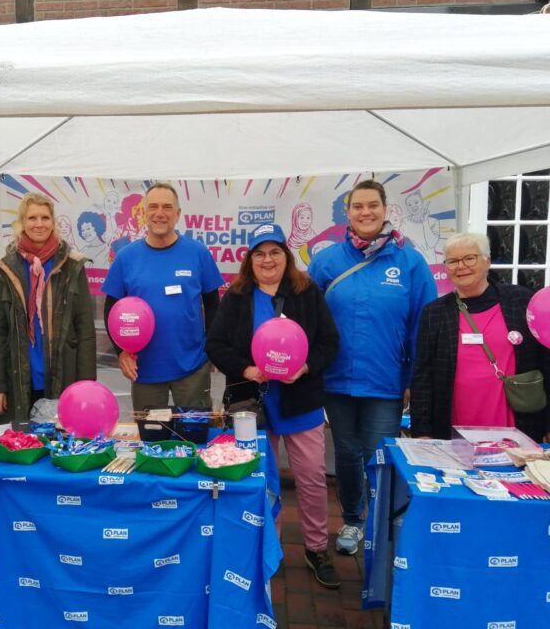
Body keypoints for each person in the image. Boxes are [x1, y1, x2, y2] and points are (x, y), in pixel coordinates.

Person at [206, 223, 341, 589]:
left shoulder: (306, 292)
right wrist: (245, 368)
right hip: (253, 403)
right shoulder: (236, 297)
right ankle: (267, 547)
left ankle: (316, 549)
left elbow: (330, 342)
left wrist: (306, 366)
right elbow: (215, 344)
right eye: (260, 253)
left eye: (275, 252)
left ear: (286, 256)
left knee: (312, 477)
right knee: (259, 479)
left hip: (301, 400)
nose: (268, 260)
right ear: (250, 260)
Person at [309, 179, 437, 556]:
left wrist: (414, 378)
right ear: (347, 213)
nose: (365, 212)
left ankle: (382, 524)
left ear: (385, 210)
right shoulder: (326, 261)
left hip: (386, 381)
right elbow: (307, 320)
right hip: (336, 380)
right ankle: (352, 519)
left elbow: (423, 325)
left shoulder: (410, 262)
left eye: (372, 205)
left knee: (379, 453)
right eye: (358, 206)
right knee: (347, 453)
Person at [411, 232, 550, 442]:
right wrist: (423, 432)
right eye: (453, 261)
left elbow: (545, 363)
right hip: (454, 429)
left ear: (488, 261)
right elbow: (423, 376)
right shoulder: (435, 312)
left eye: (469, 258)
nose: (461, 266)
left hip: (518, 426)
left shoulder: (521, 301)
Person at [102, 182, 224, 411]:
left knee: (195, 439)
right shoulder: (125, 257)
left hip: (192, 369)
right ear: (144, 213)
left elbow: (213, 305)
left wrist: (210, 349)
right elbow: (111, 310)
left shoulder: (197, 253)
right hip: (145, 369)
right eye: (153, 207)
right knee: (151, 442)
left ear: (177, 214)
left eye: (167, 207)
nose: (160, 213)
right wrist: (121, 353)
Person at [0, 192, 96, 426]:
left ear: (53, 222)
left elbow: (85, 330)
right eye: (32, 218)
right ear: (22, 223)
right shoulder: (3, 269)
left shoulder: (73, 266)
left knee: (62, 449)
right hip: (17, 378)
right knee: (19, 452)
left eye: (45, 218)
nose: (39, 224)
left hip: (64, 377)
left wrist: (88, 386)